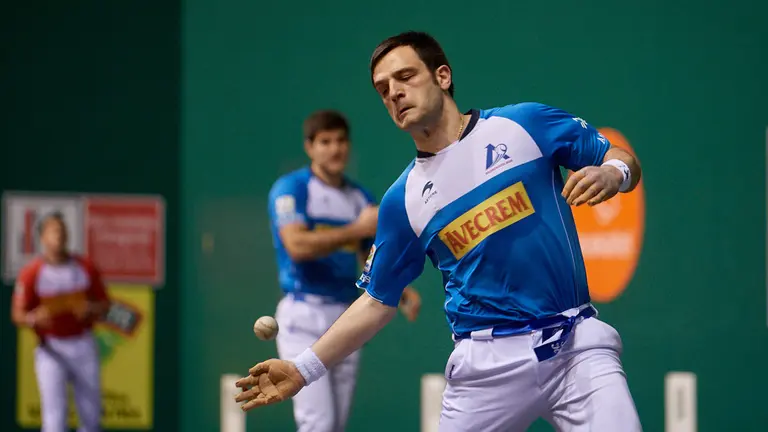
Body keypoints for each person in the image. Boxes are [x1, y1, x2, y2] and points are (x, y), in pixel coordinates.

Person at [237, 31, 644, 432]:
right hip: (485, 370)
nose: (394, 93)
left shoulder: (524, 124)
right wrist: (302, 369)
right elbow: (376, 302)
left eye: (405, 77)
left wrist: (614, 173)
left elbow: (619, 157)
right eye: (383, 89)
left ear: (443, 76)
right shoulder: (403, 200)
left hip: (575, 346)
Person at [266, 109, 422, 432]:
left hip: (346, 318)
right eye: (325, 142)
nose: (335, 149)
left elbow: (368, 256)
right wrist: (356, 228)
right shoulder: (291, 189)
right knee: (318, 423)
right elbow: (297, 245)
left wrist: (401, 290)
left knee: (336, 424)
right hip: (303, 313)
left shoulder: (359, 197)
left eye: (340, 141)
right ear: (309, 147)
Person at [11, 212, 110, 432]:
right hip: (50, 348)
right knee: (54, 420)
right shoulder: (31, 273)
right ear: (43, 237)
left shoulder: (85, 267)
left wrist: (91, 308)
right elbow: (17, 314)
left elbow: (105, 305)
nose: (60, 235)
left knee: (91, 417)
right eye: (54, 231)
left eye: (63, 230)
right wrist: (33, 317)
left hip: (83, 344)